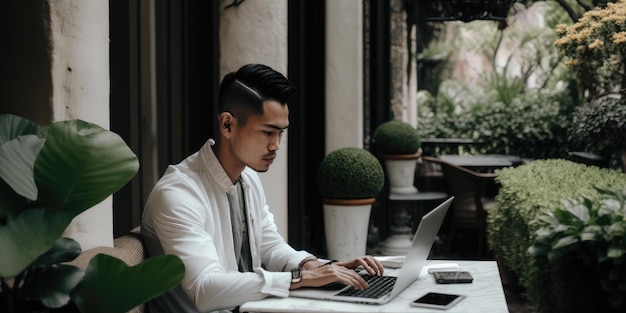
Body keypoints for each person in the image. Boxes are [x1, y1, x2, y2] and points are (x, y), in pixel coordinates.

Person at [141, 64, 384, 313]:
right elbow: (205, 290)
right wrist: (298, 279)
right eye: (267, 132)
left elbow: (268, 246)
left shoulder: (248, 178)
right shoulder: (178, 194)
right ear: (227, 125)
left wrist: (312, 265)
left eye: (280, 133)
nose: (276, 145)